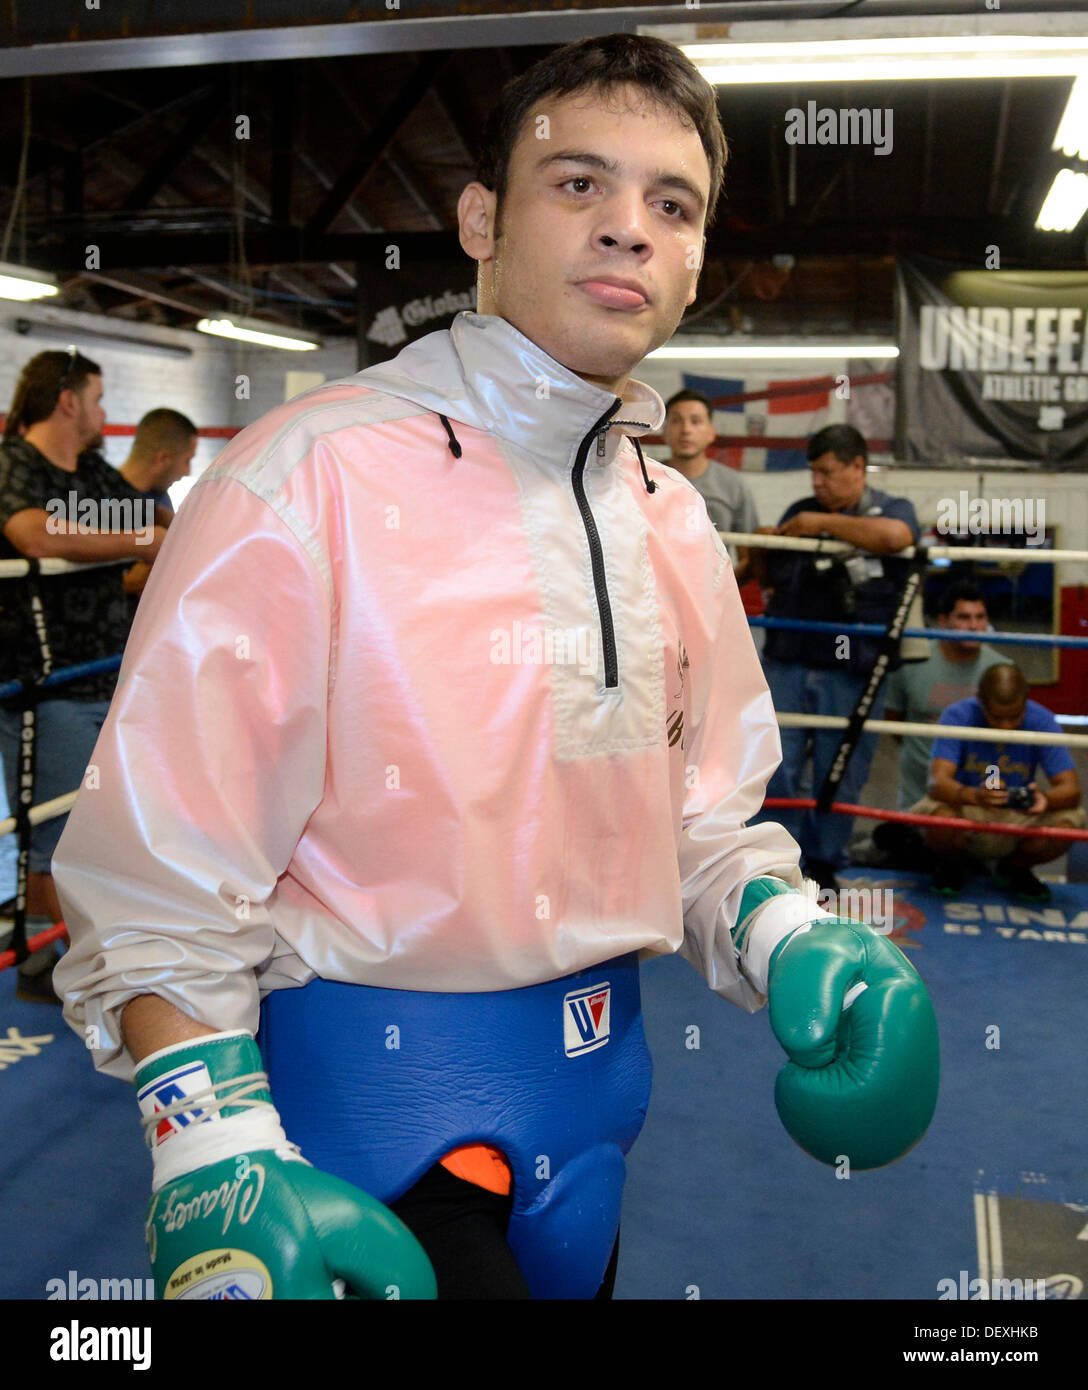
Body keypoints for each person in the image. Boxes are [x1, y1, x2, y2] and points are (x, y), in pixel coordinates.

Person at [52, 34, 937, 1301]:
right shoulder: (308, 477)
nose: (626, 229)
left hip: (593, 1114)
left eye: (668, 204)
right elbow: (161, 870)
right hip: (362, 1128)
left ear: (693, 258)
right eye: (577, 184)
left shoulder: (669, 518)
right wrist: (210, 1144)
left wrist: (787, 931)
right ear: (480, 218)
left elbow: (690, 821)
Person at [0, 349, 166, 1002]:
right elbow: (33, 534)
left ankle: (81, 951)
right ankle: (51, 962)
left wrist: (144, 541)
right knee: (52, 833)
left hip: (108, 676)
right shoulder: (13, 461)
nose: (103, 413)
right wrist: (137, 543)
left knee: (99, 822)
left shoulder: (92, 472)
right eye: (96, 399)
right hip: (45, 687)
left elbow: (154, 522)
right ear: (67, 400)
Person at [754, 423, 919, 892]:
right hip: (789, 659)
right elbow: (770, 578)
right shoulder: (799, 511)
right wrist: (767, 543)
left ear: (858, 468)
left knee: (840, 769)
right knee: (775, 764)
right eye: (814, 473)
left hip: (853, 670)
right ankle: (775, 860)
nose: (818, 483)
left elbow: (896, 536)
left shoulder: (890, 508)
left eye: (828, 473)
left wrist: (823, 525)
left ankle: (825, 862)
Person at [919, 663, 1086, 902]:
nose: (1006, 726)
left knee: (1068, 825)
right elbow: (936, 783)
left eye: (1015, 717)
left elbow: (1072, 789)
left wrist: (1044, 799)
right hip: (967, 810)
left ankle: (1015, 868)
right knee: (938, 819)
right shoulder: (958, 715)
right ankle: (954, 865)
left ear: (1025, 703)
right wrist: (974, 795)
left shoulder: (1042, 719)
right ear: (981, 703)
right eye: (996, 717)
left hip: (1018, 813)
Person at [876, 582, 1005, 867]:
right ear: (944, 621)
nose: (974, 626)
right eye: (964, 617)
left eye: (980, 617)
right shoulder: (912, 664)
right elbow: (895, 723)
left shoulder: (1001, 672)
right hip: (919, 802)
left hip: (978, 803)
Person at [661, 388, 758, 583]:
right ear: (664, 431)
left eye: (696, 421)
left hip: (713, 597)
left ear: (711, 432)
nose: (686, 430)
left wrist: (719, 591)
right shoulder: (643, 478)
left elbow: (749, 557)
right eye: (677, 420)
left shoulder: (733, 485)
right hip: (655, 596)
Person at [117, 408, 198, 603]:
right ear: (162, 459)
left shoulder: (161, 499)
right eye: (186, 460)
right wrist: (125, 585)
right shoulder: (102, 501)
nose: (187, 472)